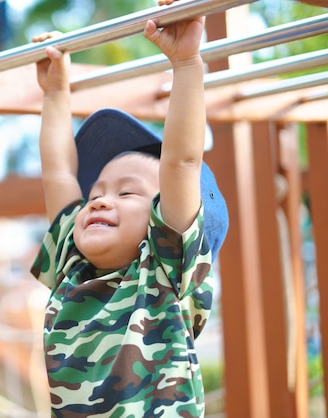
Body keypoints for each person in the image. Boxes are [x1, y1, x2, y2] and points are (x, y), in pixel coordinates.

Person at [29, 1, 229, 416]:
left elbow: (181, 162)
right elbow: (59, 175)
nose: (99, 198)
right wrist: (55, 93)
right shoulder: (73, 264)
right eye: (97, 191)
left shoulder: (162, 271)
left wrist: (188, 63)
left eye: (127, 194)